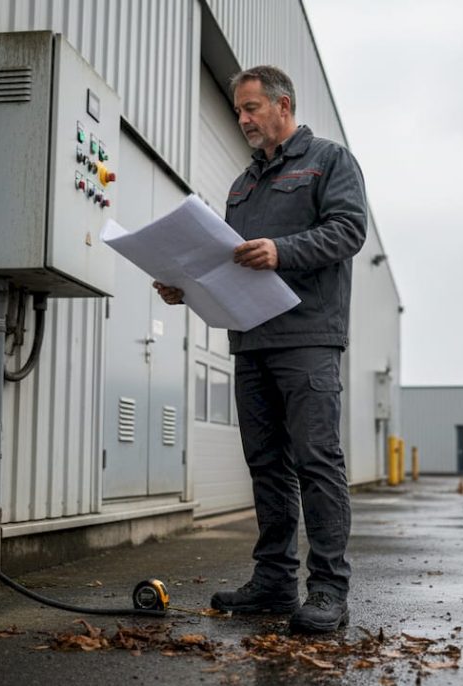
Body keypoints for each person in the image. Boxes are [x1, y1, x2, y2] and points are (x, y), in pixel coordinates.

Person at [153, 65, 366, 633]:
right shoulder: (242, 186)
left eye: (250, 109)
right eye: (239, 111)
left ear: (283, 105)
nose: (242, 119)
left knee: (317, 461)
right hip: (250, 340)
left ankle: (327, 588)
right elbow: (225, 259)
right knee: (266, 466)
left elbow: (348, 231)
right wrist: (185, 284)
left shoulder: (328, 161)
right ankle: (273, 581)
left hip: (308, 337)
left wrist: (282, 250)